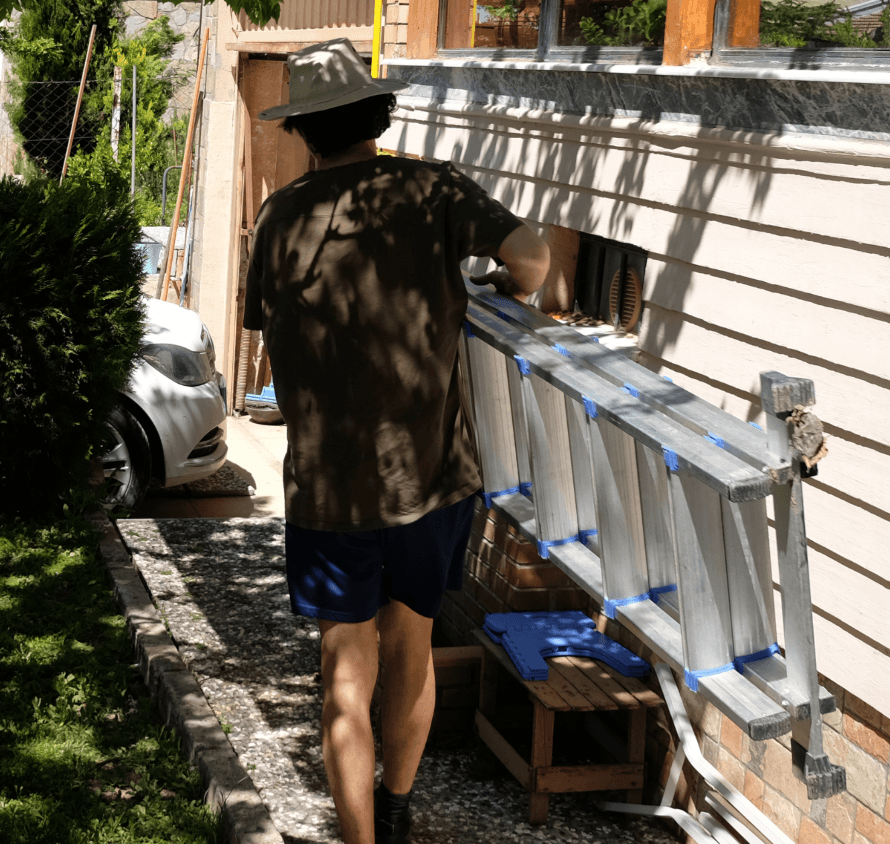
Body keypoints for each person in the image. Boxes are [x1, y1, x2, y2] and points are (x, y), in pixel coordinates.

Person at [243, 39, 550, 844]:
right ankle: (401, 807)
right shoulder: (431, 190)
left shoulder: (278, 220)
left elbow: (266, 334)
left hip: (327, 490)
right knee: (410, 645)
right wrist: (503, 288)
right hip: (432, 482)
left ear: (307, 130)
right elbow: (532, 257)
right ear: (376, 115)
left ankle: (359, 839)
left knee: (345, 676)